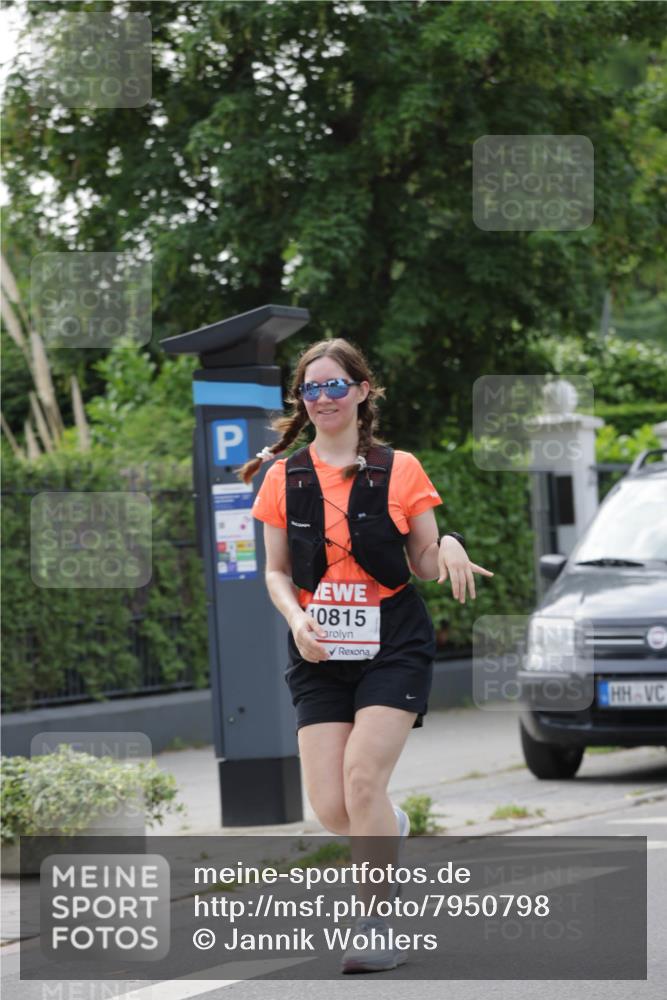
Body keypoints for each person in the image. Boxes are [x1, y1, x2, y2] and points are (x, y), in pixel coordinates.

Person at [236, 338, 493, 973]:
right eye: (311, 388)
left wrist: (452, 545)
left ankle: (377, 925)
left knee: (362, 780)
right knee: (333, 808)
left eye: (334, 385)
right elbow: (273, 571)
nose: (323, 397)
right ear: (301, 399)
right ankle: (390, 825)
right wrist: (296, 619)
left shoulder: (399, 468)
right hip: (319, 645)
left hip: (393, 640)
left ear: (360, 391)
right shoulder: (283, 477)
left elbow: (425, 560)